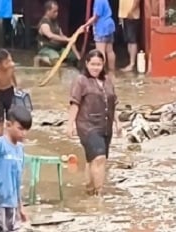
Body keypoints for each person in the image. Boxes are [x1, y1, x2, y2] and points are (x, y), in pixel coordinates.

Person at [68, 50, 122, 196]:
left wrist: (118, 122)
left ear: (102, 65)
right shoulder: (81, 81)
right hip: (87, 125)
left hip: (106, 125)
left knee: (92, 160)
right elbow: (75, 103)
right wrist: (70, 124)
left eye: (98, 64)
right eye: (93, 64)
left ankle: (90, 188)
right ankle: (99, 195)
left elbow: (113, 103)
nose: (96, 67)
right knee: (100, 158)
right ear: (87, 64)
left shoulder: (108, 81)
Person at [34, 1, 82, 67]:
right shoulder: (44, 23)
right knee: (55, 59)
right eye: (54, 11)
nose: (57, 13)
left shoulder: (55, 22)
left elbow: (61, 35)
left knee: (72, 57)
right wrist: (67, 39)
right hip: (46, 48)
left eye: (57, 11)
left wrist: (70, 40)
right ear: (48, 11)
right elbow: (50, 35)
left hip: (57, 49)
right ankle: (41, 59)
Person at [92, 0, 117, 73]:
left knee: (100, 51)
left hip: (101, 27)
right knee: (110, 51)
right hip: (109, 26)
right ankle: (112, 70)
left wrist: (86, 25)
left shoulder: (98, 1)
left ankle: (101, 72)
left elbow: (96, 16)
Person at [119, 0, 141, 72]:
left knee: (132, 40)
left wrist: (131, 10)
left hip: (132, 15)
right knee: (129, 40)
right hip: (125, 15)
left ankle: (132, 63)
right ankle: (130, 62)